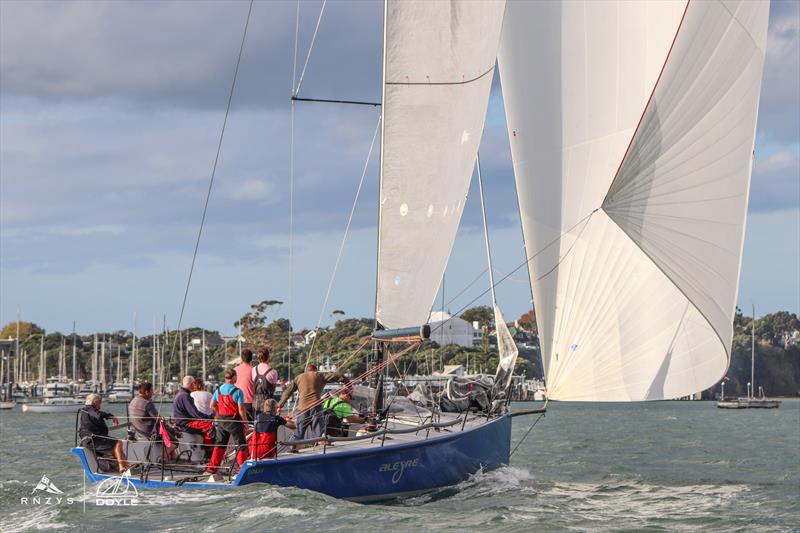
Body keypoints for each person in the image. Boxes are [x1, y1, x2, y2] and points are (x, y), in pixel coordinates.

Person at [277, 363, 347, 443]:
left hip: (302, 409)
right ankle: (321, 446)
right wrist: (347, 382)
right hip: (316, 407)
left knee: (299, 432)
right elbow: (336, 376)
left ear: (306, 370)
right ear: (315, 370)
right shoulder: (319, 375)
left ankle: (295, 447)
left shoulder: (298, 377)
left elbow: (287, 392)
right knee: (319, 433)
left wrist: (280, 404)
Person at [207, 368, 249, 474]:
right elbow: (241, 409)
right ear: (234, 377)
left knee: (220, 444)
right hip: (234, 421)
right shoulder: (238, 391)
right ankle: (241, 467)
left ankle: (212, 468)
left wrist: (218, 412)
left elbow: (212, 405)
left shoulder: (218, 390)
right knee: (240, 444)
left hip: (221, 421)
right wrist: (245, 422)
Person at [79, 394, 129, 473]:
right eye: (99, 403)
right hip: (92, 440)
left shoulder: (86, 409)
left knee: (115, 444)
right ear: (95, 402)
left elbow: (98, 413)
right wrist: (109, 416)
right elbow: (97, 415)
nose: (100, 405)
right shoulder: (89, 409)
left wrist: (110, 416)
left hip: (91, 439)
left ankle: (125, 464)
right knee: (118, 443)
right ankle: (122, 466)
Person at [129, 382, 177, 457]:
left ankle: (171, 458)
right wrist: (165, 420)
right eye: (151, 391)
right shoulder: (147, 403)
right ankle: (162, 458)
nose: (153, 393)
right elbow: (158, 418)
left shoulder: (133, 401)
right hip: (150, 432)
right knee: (175, 442)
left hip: (139, 431)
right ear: (146, 392)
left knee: (169, 432)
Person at [173, 376, 214, 447]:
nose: (195, 386)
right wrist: (209, 417)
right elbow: (194, 413)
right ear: (192, 384)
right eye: (194, 383)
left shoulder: (180, 394)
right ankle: (209, 449)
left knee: (206, 425)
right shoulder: (185, 396)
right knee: (209, 427)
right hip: (185, 423)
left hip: (181, 422)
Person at [251, 347, 278, 414]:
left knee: (257, 421)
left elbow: (253, 384)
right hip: (268, 402)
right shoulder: (273, 371)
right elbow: (273, 388)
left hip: (256, 401)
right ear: (268, 357)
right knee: (268, 422)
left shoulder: (254, 369)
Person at [234, 349, 255, 419]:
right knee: (251, 426)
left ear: (241, 358)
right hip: (250, 403)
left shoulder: (235, 370)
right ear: (251, 358)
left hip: (236, 402)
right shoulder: (254, 370)